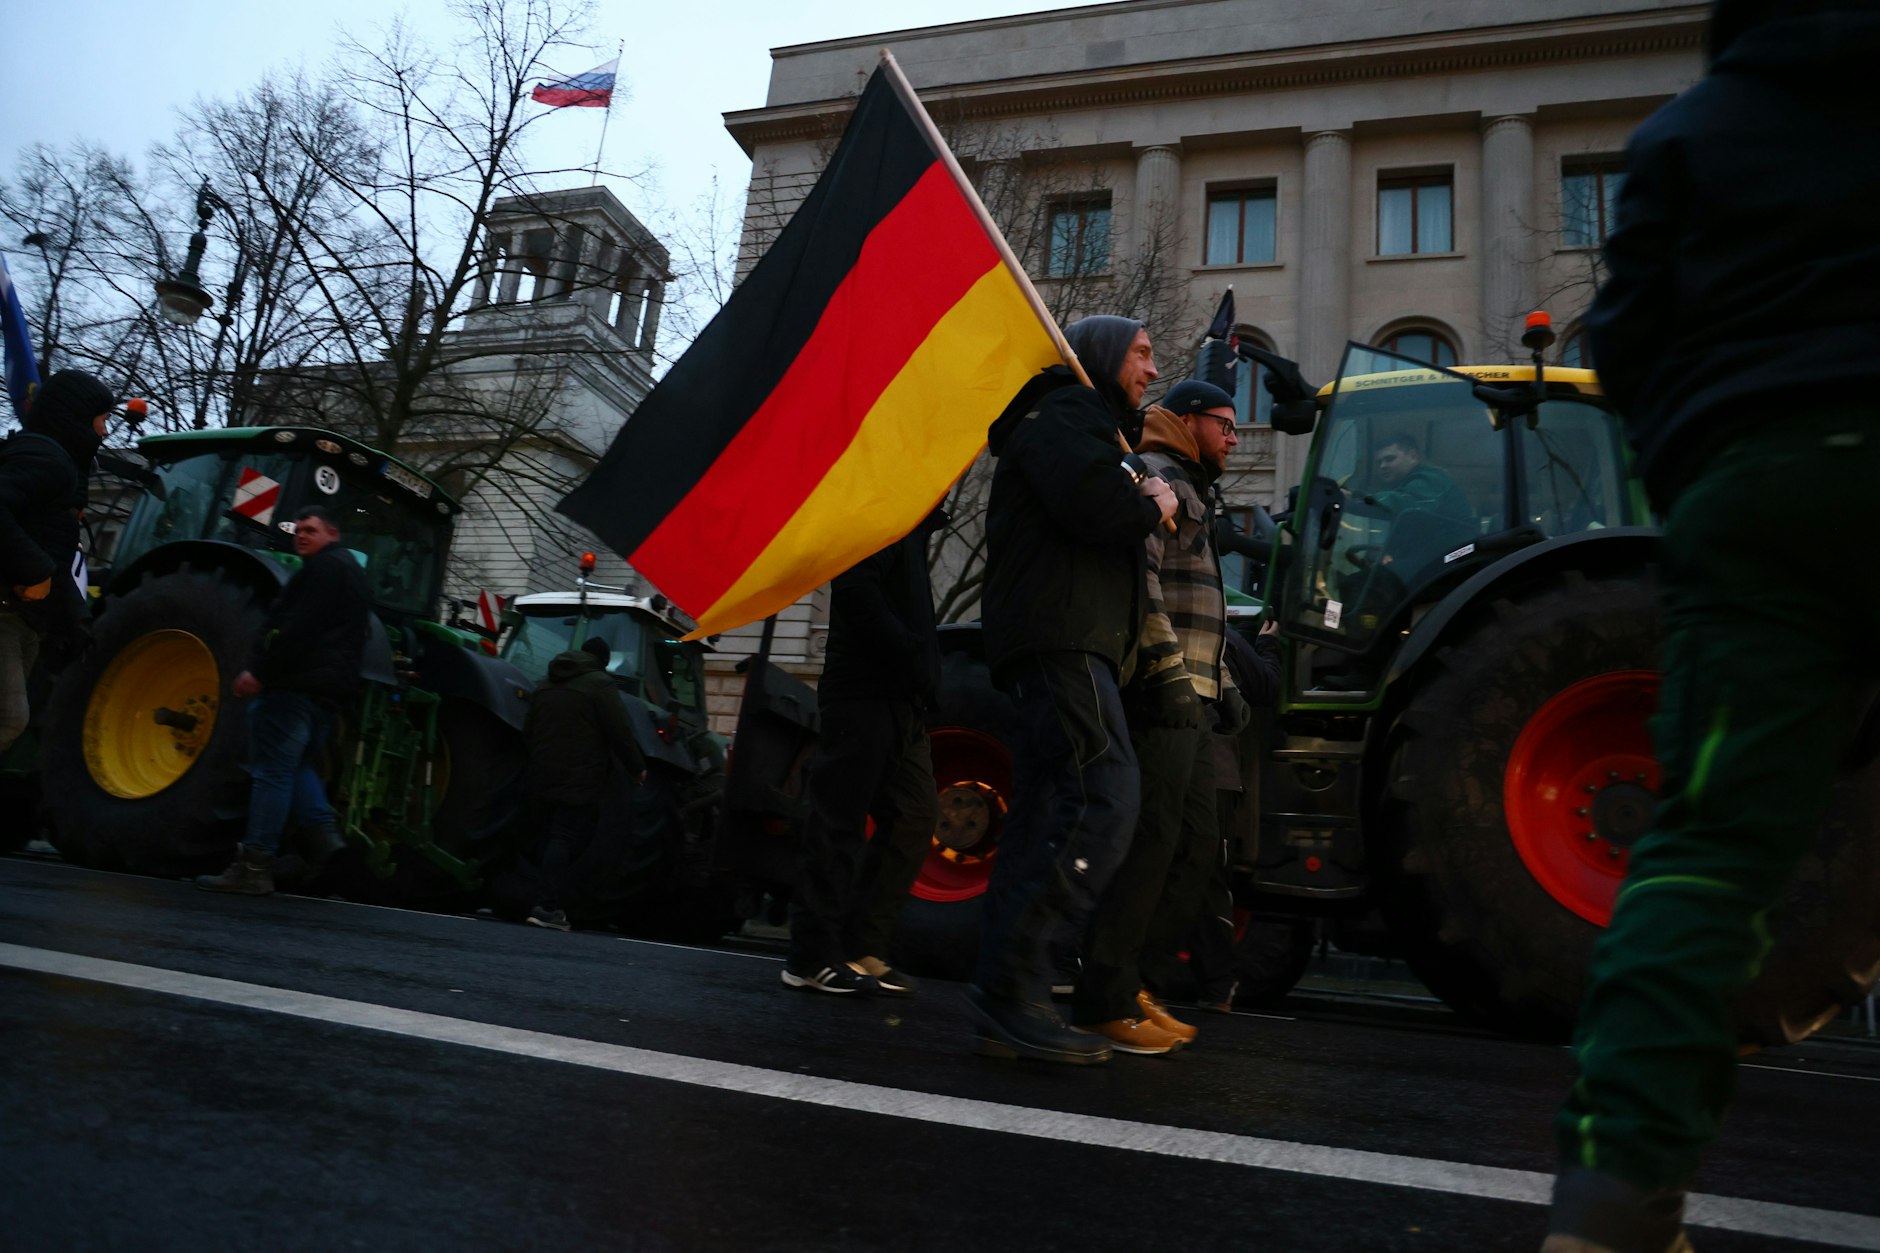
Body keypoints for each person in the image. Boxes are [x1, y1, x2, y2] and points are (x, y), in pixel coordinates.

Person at [1544, 4, 1880, 1251]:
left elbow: (1621, 337)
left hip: (1753, 494)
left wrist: (1695, 459)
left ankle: (1613, 1199)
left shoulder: (1684, 130)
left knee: (1704, 848)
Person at [967, 314, 1178, 1065]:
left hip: (1073, 638)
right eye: (1143, 355)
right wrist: (1149, 502)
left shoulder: (1087, 426)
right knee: (1103, 795)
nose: (1153, 372)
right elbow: (1094, 510)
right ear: (1102, 355)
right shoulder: (1064, 411)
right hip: (1060, 636)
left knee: (1050, 810)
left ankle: (1009, 992)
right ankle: (1017, 986)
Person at [1070, 379, 1245, 1054]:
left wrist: (1222, 678)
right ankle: (1103, 993)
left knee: (1194, 846)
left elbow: (1200, 599)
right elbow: (1143, 583)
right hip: (1162, 688)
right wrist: (1168, 668)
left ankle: (1130, 982)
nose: (1234, 435)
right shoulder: (1157, 473)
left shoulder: (1195, 483)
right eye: (1225, 424)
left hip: (1198, 689)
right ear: (1188, 421)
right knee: (1152, 844)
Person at [781, 508, 946, 995]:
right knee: (838, 820)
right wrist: (913, 653)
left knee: (916, 815)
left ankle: (861, 945)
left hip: (903, 699)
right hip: (863, 693)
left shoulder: (911, 535)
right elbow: (856, 593)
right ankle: (810, 955)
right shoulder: (880, 521)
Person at [198, 506, 370, 895]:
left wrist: (258, 671)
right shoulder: (354, 575)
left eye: (311, 530)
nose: (301, 536)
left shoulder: (320, 572)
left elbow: (294, 628)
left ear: (333, 533)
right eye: (298, 530)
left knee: (272, 770)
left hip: (293, 688)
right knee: (295, 767)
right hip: (328, 694)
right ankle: (325, 842)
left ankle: (254, 865)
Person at [0, 370, 112, 755]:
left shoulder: (59, 465)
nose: (106, 431)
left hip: (24, 620)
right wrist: (35, 571)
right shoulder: (47, 459)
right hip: (5, 613)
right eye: (102, 419)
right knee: (8, 717)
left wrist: (75, 620)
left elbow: (56, 551)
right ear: (77, 416)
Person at [518, 635, 647, 931]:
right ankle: (547, 907)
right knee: (565, 837)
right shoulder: (600, 685)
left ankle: (541, 899)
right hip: (580, 778)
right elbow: (619, 730)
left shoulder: (545, 684)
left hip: (540, 775)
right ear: (602, 661)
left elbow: (529, 730)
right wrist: (637, 767)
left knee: (546, 837)